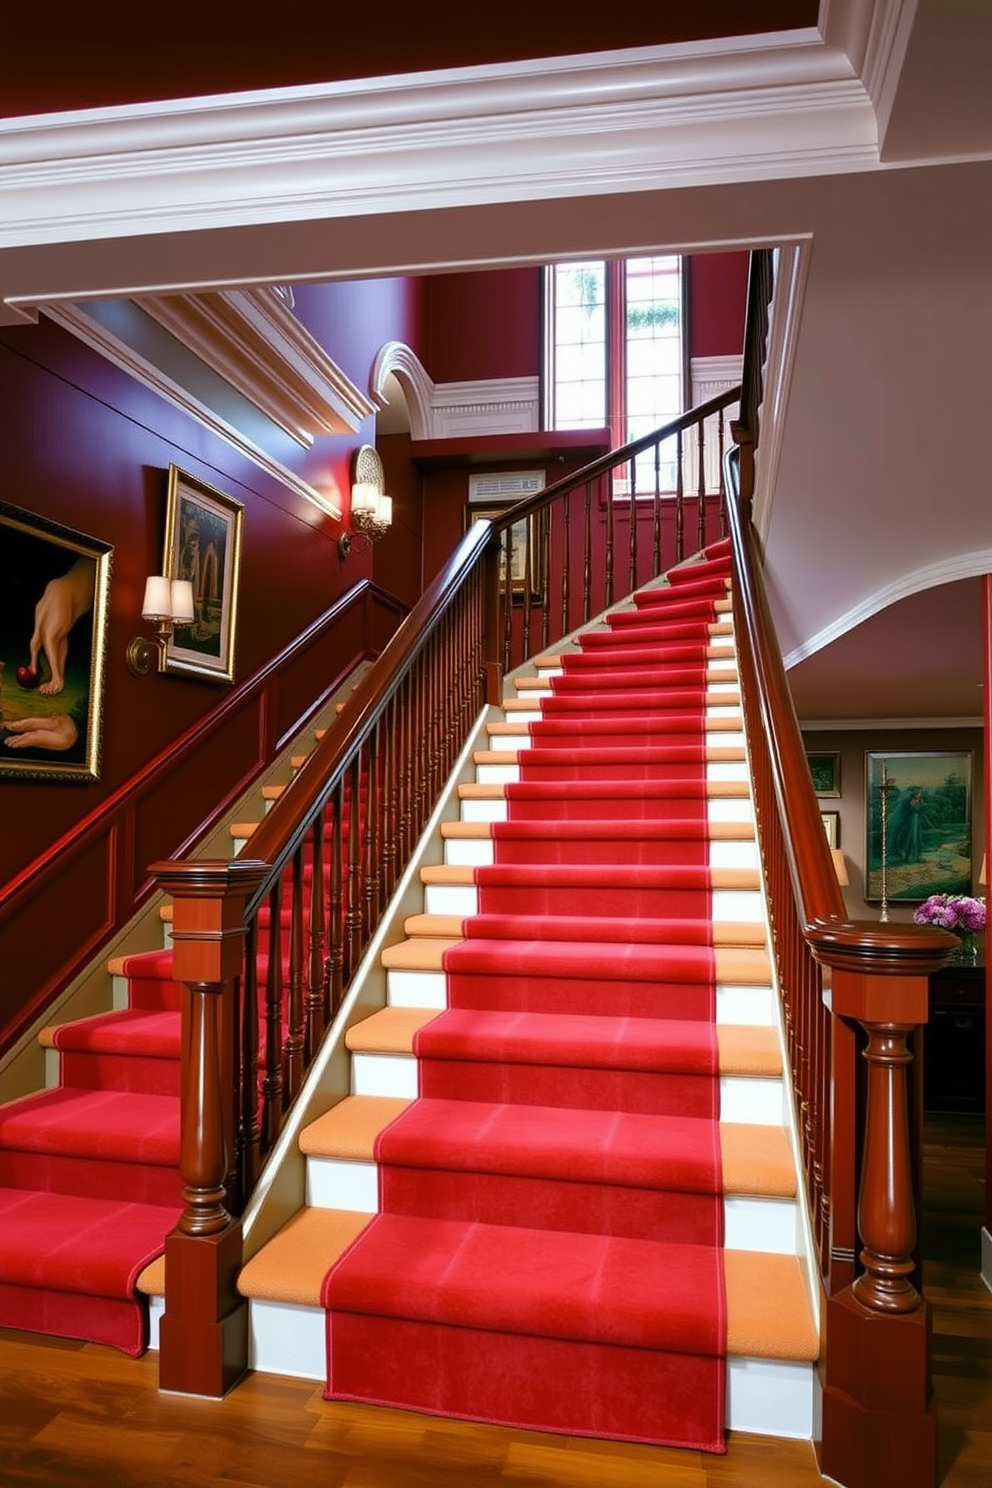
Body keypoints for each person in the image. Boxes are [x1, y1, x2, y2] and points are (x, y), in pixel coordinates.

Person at [27, 556, 94, 695]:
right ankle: (57, 678)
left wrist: (55, 676)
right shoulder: (44, 607)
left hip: (82, 577)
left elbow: (48, 638)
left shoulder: (51, 603)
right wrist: (33, 664)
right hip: (68, 585)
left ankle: (57, 679)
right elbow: (40, 641)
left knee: (52, 634)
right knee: (54, 634)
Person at [887, 785, 927, 865]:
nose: (920, 793)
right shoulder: (908, 799)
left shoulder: (913, 799)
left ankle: (912, 856)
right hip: (907, 821)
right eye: (919, 792)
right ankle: (908, 856)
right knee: (908, 837)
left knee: (913, 837)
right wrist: (921, 805)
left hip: (911, 821)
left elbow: (917, 810)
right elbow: (914, 809)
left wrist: (920, 805)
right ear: (915, 792)